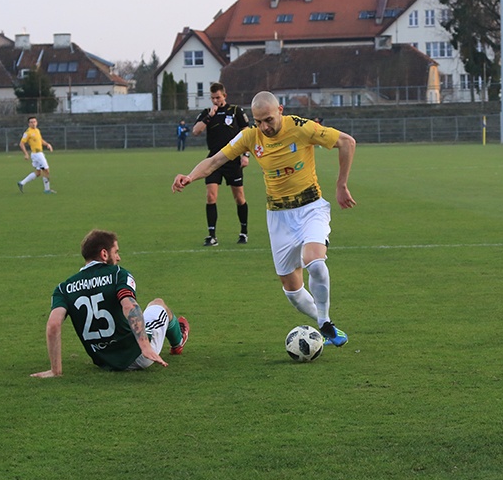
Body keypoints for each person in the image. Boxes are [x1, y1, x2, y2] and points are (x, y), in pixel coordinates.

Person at [173, 91, 356, 346]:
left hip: (310, 208)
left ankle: (325, 322)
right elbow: (216, 160)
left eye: (268, 120)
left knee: (315, 262)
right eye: (258, 121)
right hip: (278, 216)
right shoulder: (250, 135)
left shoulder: (302, 127)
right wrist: (190, 177)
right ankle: (322, 322)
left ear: (280, 110)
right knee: (292, 291)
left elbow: (347, 142)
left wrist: (341, 184)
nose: (264, 127)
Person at [31, 229, 190, 377]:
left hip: (103, 361)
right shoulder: (118, 274)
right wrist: (145, 347)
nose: (119, 257)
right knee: (158, 304)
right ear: (104, 254)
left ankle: (56, 370)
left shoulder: (64, 288)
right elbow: (129, 306)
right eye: (116, 252)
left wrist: (55, 370)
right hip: (138, 356)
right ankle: (178, 343)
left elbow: (53, 324)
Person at [191, 82, 251, 246]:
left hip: (233, 160)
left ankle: (243, 232)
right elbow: (196, 131)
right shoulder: (207, 113)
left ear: (224, 96)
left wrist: (246, 155)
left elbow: (247, 132)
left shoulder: (236, 111)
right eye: (212, 98)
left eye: (218, 97)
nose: (215, 101)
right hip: (213, 160)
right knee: (211, 196)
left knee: (239, 198)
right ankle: (212, 236)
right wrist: (209, 116)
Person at [17, 116, 55, 194]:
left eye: (34, 122)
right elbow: (21, 144)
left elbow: (40, 140)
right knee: (46, 171)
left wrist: (47, 144)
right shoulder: (28, 132)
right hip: (37, 155)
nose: (33, 123)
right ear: (29, 124)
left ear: (37, 122)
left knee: (38, 172)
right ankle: (47, 190)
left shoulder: (37, 130)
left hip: (39, 154)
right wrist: (26, 154)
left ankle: (22, 183)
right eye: (31, 122)